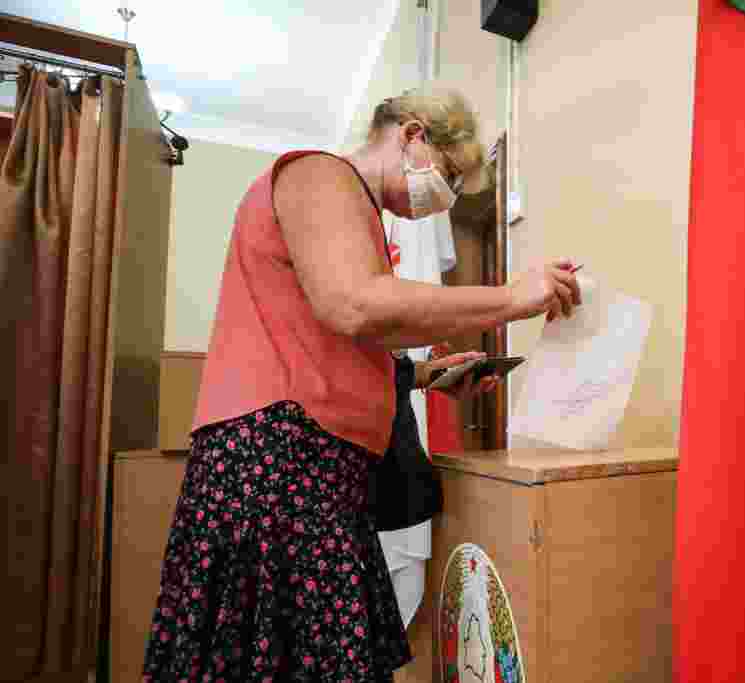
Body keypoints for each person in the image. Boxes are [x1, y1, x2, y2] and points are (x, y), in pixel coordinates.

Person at [141, 87, 580, 682]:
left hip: (316, 470)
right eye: (447, 173)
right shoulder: (320, 176)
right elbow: (355, 305)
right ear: (412, 134)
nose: (444, 195)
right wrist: (509, 298)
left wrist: (425, 377)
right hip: (278, 467)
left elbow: (330, 340)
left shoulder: (359, 216)